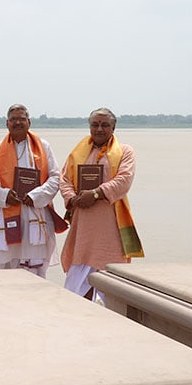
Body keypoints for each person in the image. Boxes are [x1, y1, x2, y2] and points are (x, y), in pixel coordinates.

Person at [60, 107, 143, 299]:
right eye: (95, 124)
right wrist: (71, 198)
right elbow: (64, 179)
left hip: (111, 224)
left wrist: (96, 194)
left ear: (113, 128)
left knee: (109, 274)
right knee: (77, 282)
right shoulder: (78, 152)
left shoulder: (125, 152)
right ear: (89, 127)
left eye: (105, 125)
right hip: (83, 225)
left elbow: (124, 180)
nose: (99, 129)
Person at [0, 104, 67, 278]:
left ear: (29, 122)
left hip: (37, 213)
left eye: (21, 119)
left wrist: (35, 196)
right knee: (6, 269)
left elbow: (55, 177)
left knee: (36, 269)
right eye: (13, 119)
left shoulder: (43, 147)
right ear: (7, 123)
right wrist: (5, 195)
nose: (17, 122)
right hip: (9, 215)